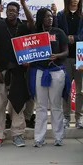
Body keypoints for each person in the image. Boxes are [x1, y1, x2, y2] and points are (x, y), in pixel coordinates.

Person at [0, 0, 34, 148]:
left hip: (18, 72)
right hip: (3, 71)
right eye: (9, 10)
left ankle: (17, 135)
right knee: (0, 104)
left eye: (14, 10)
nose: (11, 12)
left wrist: (23, 3)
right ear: (6, 11)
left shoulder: (22, 26)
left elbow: (31, 22)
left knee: (18, 105)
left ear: (18, 12)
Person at [29, 8, 70, 147]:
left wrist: (57, 56)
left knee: (55, 105)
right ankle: (39, 138)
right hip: (40, 71)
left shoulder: (59, 32)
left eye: (51, 16)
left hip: (56, 71)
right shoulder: (35, 34)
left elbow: (66, 51)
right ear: (41, 18)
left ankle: (58, 137)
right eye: (47, 16)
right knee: (40, 106)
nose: (50, 18)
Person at [57, 0, 83, 129]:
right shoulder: (61, 15)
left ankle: (79, 118)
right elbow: (56, 31)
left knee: (80, 91)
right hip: (65, 57)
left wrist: (76, 38)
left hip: (80, 57)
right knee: (65, 89)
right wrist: (65, 38)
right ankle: (66, 117)